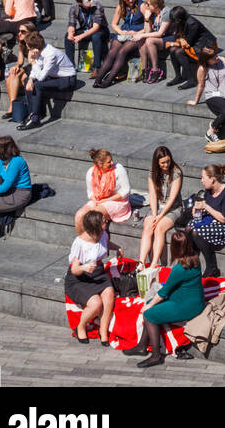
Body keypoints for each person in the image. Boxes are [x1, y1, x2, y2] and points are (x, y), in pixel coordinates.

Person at [126, 229, 207, 369]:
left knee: (149, 315)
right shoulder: (195, 258)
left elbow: (164, 292)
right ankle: (142, 346)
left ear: (174, 248)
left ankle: (156, 355)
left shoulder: (179, 269)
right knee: (151, 306)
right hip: (194, 301)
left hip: (185, 306)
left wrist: (148, 306)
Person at [64, 210, 116, 345]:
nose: (106, 223)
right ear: (96, 227)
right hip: (80, 279)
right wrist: (84, 267)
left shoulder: (103, 234)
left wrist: (118, 248)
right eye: (104, 222)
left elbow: (106, 244)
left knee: (109, 293)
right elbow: (75, 269)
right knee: (96, 303)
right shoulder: (80, 243)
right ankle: (81, 326)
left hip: (98, 273)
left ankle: (103, 330)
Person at [188, 163, 225, 275]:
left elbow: (223, 219)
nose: (201, 180)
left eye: (203, 178)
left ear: (212, 179)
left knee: (197, 233)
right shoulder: (209, 190)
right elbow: (208, 206)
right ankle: (192, 261)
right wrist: (198, 210)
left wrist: (205, 207)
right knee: (189, 227)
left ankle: (212, 267)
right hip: (213, 218)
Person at [138, 145, 184, 269]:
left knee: (159, 228)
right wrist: (154, 215)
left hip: (173, 208)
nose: (166, 165)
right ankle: (141, 263)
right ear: (156, 163)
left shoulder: (176, 173)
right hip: (157, 206)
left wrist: (160, 217)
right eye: (162, 163)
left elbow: (172, 198)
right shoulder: (152, 173)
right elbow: (152, 196)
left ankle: (154, 264)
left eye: (168, 161)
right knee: (148, 226)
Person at [20, 32, 77, 129]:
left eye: (28, 46)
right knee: (27, 81)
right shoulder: (39, 51)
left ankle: (34, 119)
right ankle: (33, 114)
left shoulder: (51, 54)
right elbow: (37, 68)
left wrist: (33, 61)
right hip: (53, 76)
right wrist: (31, 78)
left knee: (37, 85)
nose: (27, 48)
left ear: (35, 48)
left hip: (67, 79)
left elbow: (41, 77)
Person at [187, 44, 225, 149]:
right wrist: (196, 101)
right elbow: (201, 86)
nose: (217, 58)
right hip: (212, 96)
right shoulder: (202, 69)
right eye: (213, 58)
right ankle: (211, 130)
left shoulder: (222, 60)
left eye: (216, 55)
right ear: (206, 60)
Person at [64, 0, 109, 78]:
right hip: (85, 29)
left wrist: (80, 37)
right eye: (88, 0)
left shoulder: (97, 6)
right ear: (80, 3)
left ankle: (97, 67)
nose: (91, 1)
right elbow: (71, 24)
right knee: (67, 36)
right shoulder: (74, 8)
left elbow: (96, 27)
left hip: (101, 30)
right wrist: (70, 32)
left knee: (96, 36)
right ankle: (70, 66)